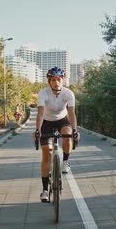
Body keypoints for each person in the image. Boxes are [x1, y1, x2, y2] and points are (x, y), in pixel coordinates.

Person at [33, 67, 80, 202]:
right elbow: (41, 113)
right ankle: (45, 190)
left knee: (67, 134)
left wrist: (75, 129)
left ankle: (65, 161)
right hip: (46, 121)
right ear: (49, 81)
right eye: (53, 80)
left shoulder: (68, 93)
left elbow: (71, 113)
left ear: (62, 80)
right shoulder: (43, 93)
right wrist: (38, 129)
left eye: (59, 79)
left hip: (62, 120)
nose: (56, 82)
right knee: (47, 153)